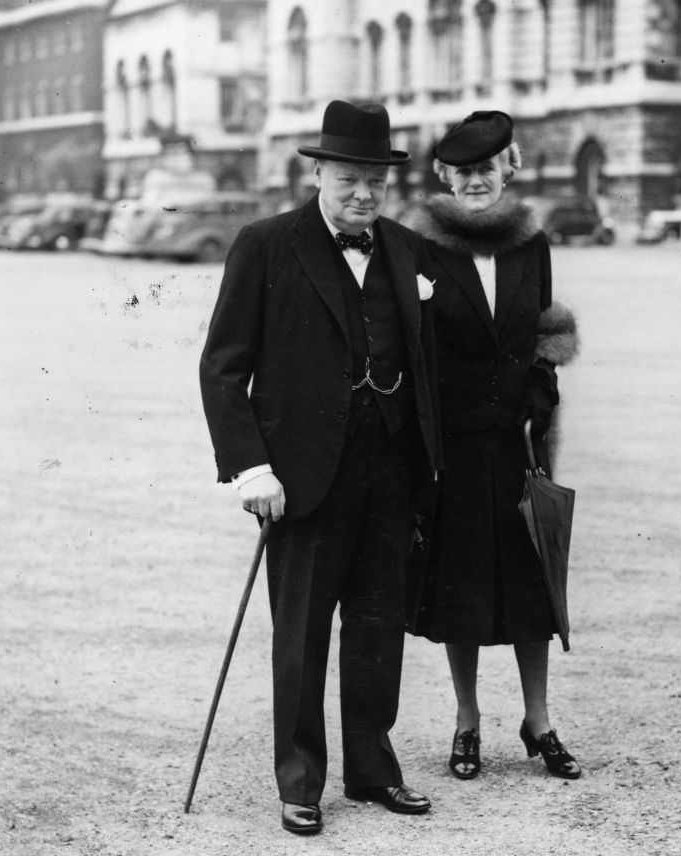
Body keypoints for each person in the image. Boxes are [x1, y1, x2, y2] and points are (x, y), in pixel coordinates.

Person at [199, 100, 442, 835]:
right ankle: (300, 779)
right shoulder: (266, 245)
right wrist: (251, 469)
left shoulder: (403, 249)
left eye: (375, 179)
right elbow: (221, 368)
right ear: (318, 173)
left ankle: (372, 770)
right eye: (348, 178)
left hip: (390, 473)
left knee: (377, 628)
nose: (363, 193)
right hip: (302, 480)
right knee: (301, 636)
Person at [404, 111, 582, 781]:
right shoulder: (420, 245)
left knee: (530, 581)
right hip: (451, 444)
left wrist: (541, 392)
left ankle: (538, 721)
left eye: (487, 168)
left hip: (515, 443)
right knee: (461, 586)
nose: (475, 180)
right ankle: (467, 719)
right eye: (462, 170)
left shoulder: (528, 243)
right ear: (444, 176)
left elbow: (541, 329)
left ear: (508, 169)